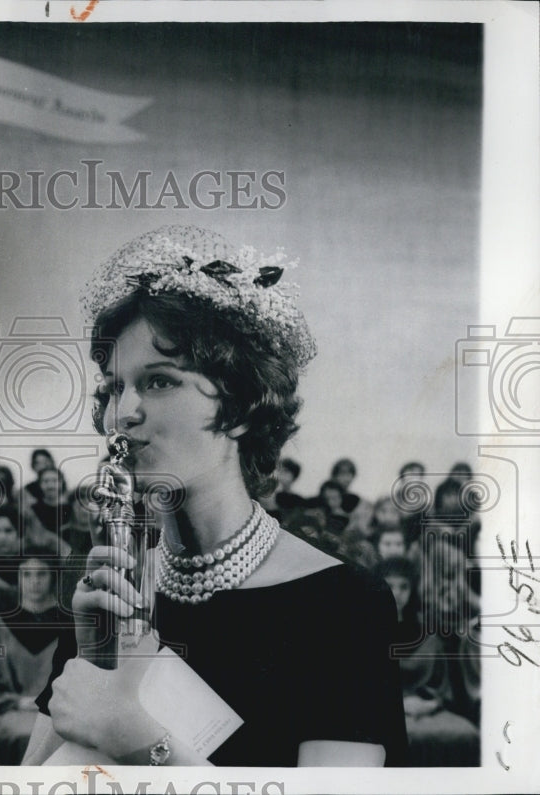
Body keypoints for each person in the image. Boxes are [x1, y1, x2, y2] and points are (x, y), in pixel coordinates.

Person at [24, 225, 406, 767]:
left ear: (242, 406)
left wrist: (142, 740)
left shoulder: (343, 606)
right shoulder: (114, 596)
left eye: (159, 382)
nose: (122, 413)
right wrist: (95, 658)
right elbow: (31, 780)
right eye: (113, 387)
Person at [0, 542, 73, 764]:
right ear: (18, 577)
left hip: (56, 712)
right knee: (12, 732)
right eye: (26, 574)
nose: (34, 582)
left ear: (53, 577)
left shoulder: (68, 625)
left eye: (41, 574)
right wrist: (15, 702)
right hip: (12, 710)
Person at [375, 557, 479, 765]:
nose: (397, 593)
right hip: (379, 709)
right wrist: (398, 704)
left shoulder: (427, 635)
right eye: (390, 585)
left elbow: (441, 685)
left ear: (413, 589)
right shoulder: (366, 631)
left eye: (404, 587)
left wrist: (428, 703)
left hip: (426, 709)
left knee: (466, 735)